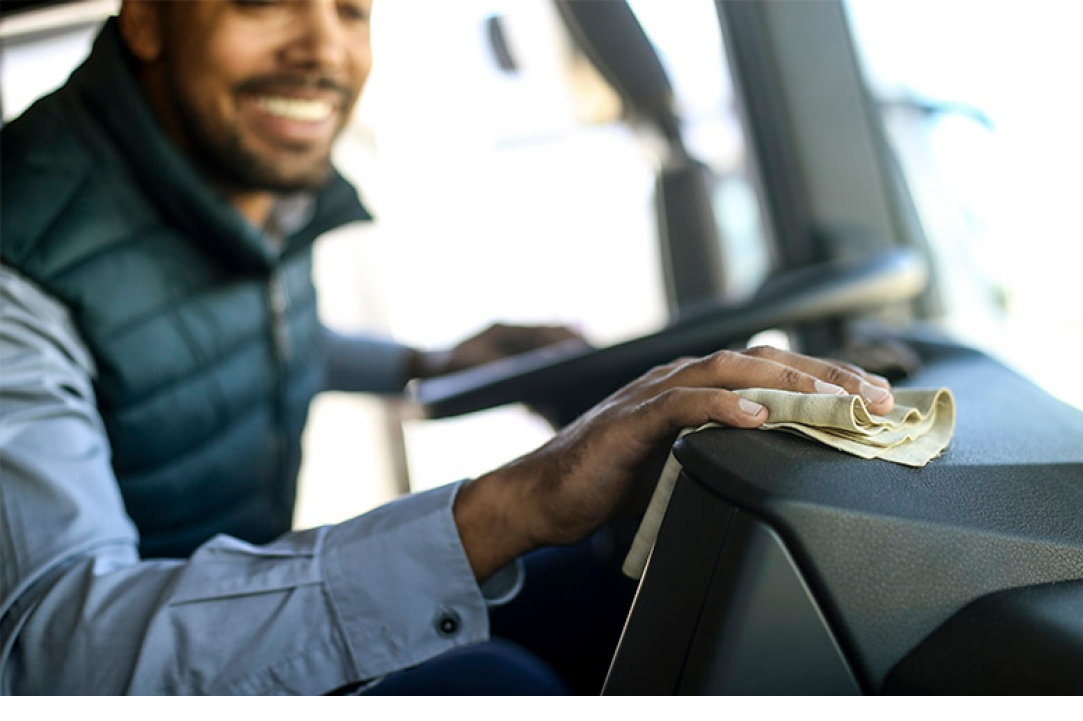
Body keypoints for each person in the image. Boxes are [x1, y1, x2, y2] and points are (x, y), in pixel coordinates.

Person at [0, 0, 895, 695]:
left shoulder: (212, 169)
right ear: (146, 17)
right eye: (263, 2)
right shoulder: (20, 249)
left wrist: (418, 363)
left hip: (230, 605)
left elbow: (224, 336)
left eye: (351, 11)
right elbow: (51, 654)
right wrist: (512, 502)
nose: (324, 50)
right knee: (499, 684)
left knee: (627, 593)